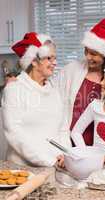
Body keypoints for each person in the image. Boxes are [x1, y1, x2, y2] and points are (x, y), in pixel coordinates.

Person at [55, 18, 105, 147]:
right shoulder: (71, 70)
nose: (88, 57)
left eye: (94, 54)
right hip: (69, 143)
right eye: (86, 51)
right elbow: (51, 93)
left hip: (104, 147)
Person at [2, 32, 71, 167]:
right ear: (33, 60)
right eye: (49, 58)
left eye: (55, 58)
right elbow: (14, 133)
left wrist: (65, 155)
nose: (54, 63)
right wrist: (48, 161)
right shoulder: (14, 89)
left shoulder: (54, 90)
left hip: (55, 166)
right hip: (23, 169)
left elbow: (63, 129)